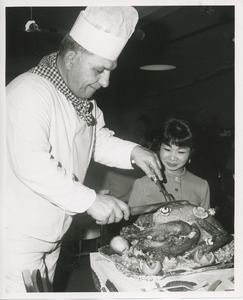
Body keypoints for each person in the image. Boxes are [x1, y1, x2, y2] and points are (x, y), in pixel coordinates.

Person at [5, 6, 162, 293]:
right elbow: (31, 163)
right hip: (15, 238)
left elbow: (95, 140)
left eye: (110, 71)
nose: (105, 81)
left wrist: (134, 151)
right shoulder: (29, 92)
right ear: (72, 58)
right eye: (99, 70)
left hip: (50, 235)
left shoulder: (82, 102)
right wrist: (90, 201)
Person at [128, 117, 210, 210]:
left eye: (181, 152)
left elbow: (205, 223)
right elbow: (133, 223)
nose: (172, 157)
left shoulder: (202, 186)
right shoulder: (142, 184)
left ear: (191, 154)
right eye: (167, 149)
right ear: (159, 148)